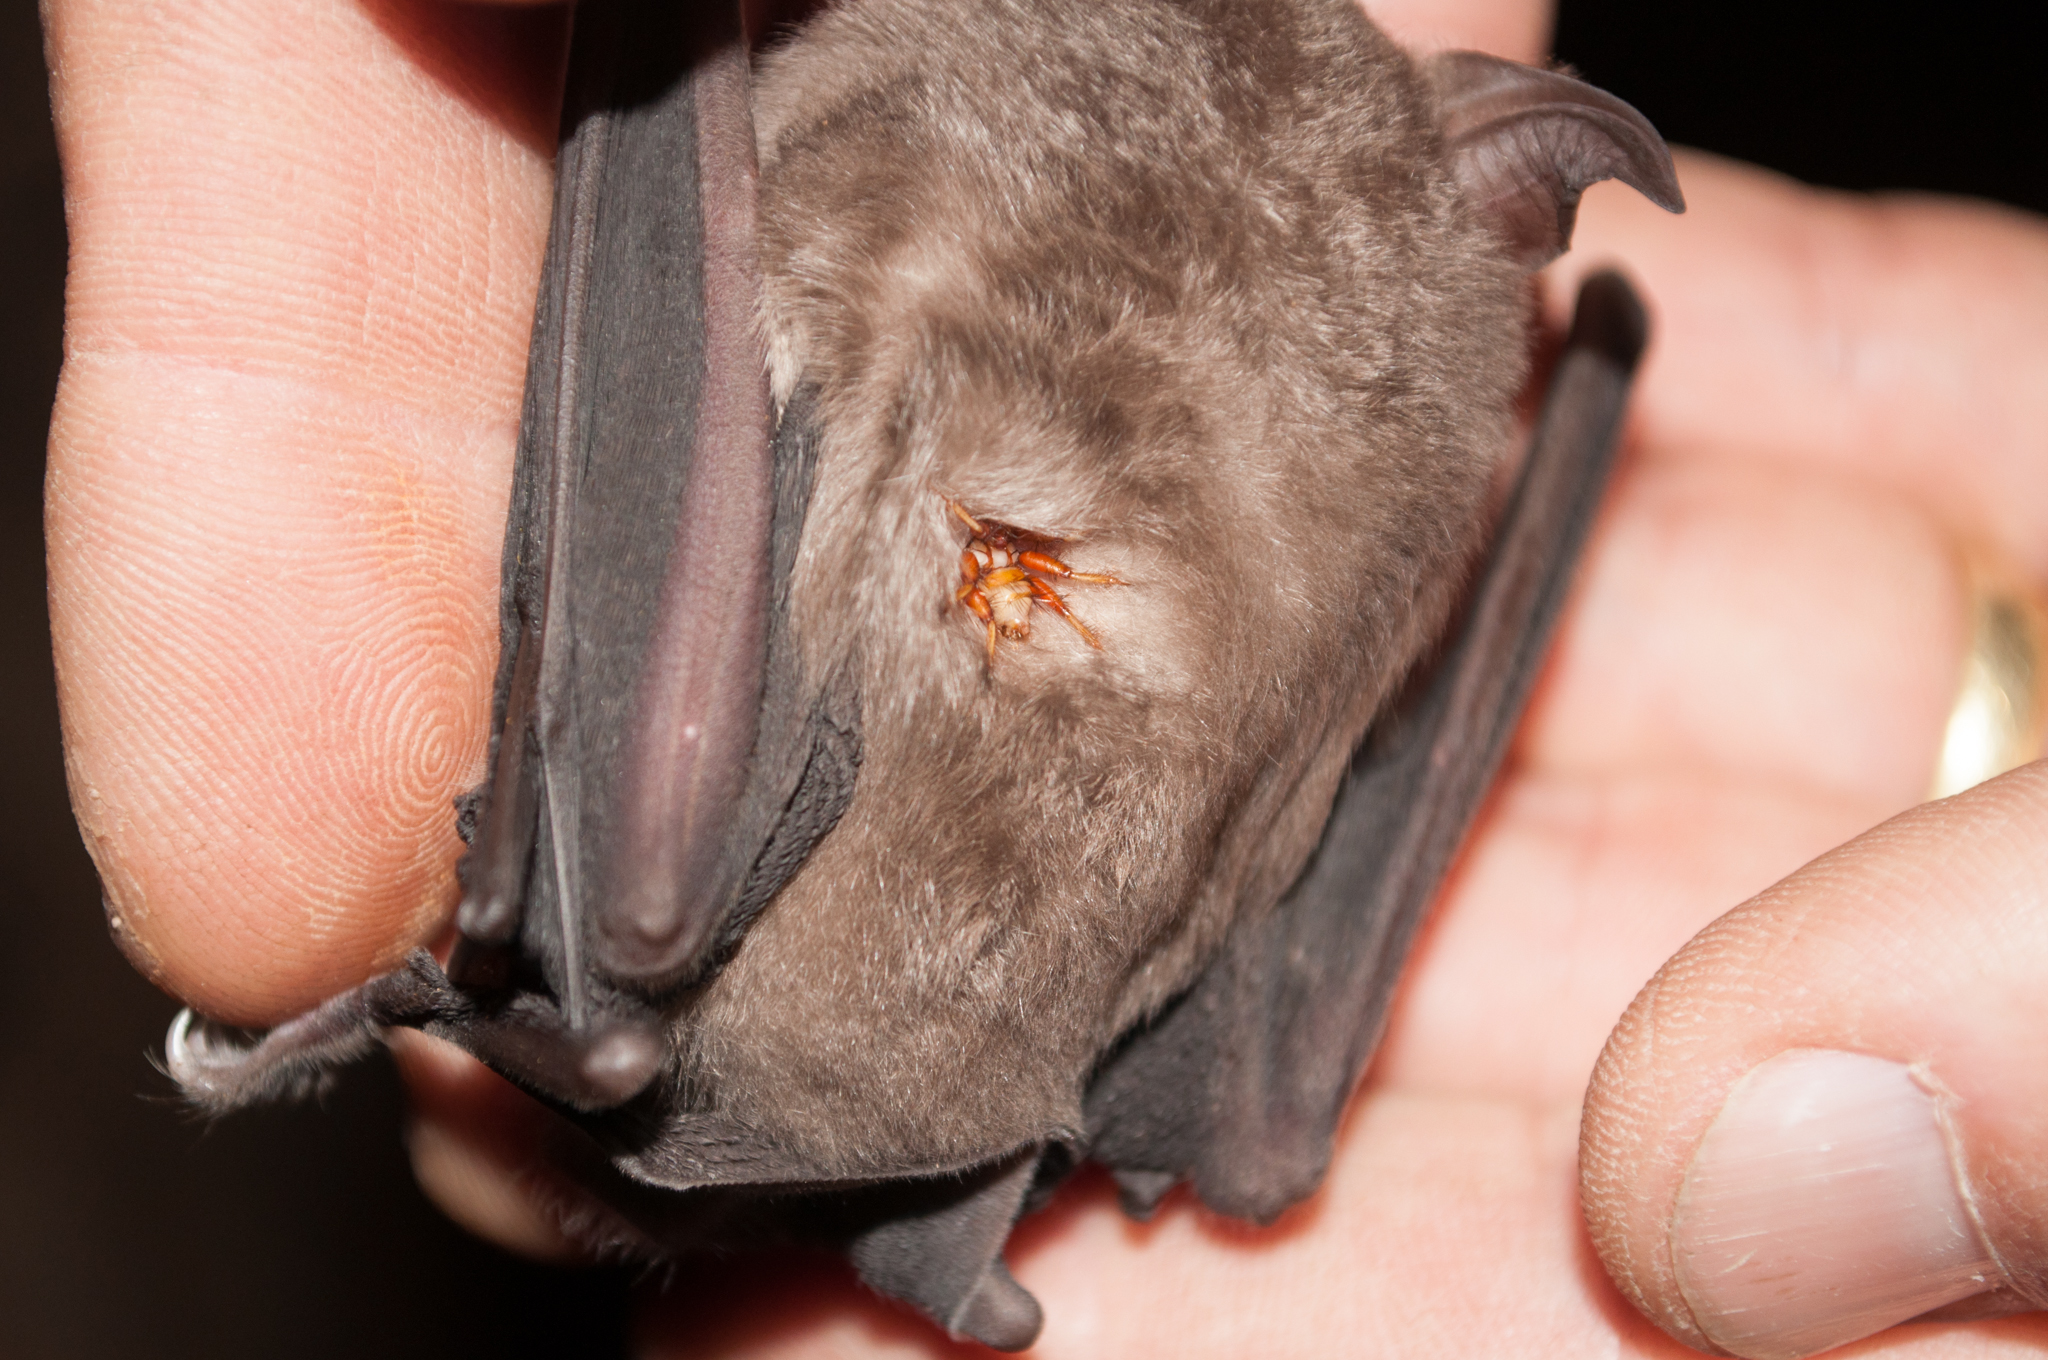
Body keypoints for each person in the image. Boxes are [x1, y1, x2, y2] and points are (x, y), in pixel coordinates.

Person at [42, 0, 2048, 1354]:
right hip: (842, 1005)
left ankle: (625, 972)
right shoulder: (1344, 370)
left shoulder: (974, 194)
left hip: (719, 927)